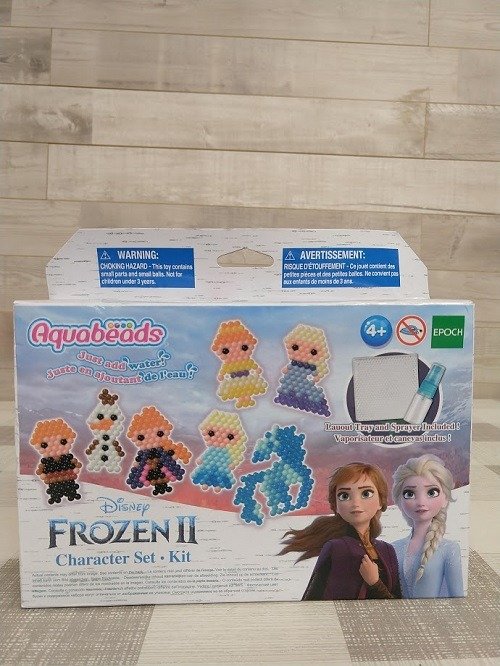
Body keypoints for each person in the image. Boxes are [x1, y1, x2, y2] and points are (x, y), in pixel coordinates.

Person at [280, 462, 401, 600]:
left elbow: (398, 603)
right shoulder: (336, 547)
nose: (356, 503)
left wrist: (375, 583)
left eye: (366, 493)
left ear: (380, 501)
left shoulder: (387, 550)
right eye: (344, 496)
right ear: (336, 505)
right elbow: (312, 598)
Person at [392, 454, 464, 598]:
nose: (421, 502)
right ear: (399, 501)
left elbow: (457, 597)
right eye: (409, 493)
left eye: (432, 492)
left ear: (445, 498)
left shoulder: (449, 549)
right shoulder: (393, 548)